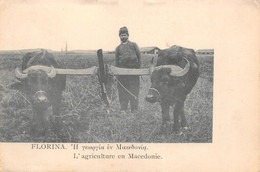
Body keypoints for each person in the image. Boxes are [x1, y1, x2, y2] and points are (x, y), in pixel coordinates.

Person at [115, 26, 141, 113]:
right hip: (122, 74)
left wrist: (137, 69)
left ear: (128, 35)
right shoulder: (118, 48)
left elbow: (139, 56)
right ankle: (123, 109)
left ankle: (134, 109)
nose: (123, 37)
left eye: (124, 35)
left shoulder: (134, 45)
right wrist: (118, 72)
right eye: (121, 35)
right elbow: (116, 62)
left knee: (134, 90)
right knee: (122, 91)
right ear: (119, 37)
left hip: (133, 73)